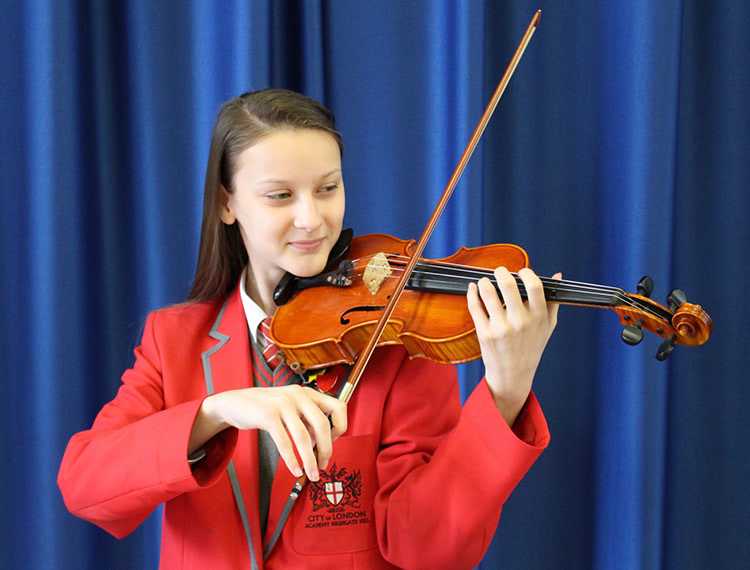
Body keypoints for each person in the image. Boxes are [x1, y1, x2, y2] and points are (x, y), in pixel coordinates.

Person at [58, 88, 560, 569]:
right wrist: (216, 411)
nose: (311, 219)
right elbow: (85, 487)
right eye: (280, 196)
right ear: (227, 204)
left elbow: (427, 548)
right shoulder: (173, 340)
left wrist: (505, 392)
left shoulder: (394, 338)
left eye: (328, 188)